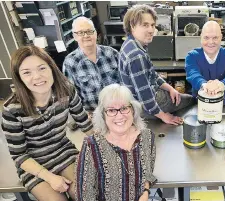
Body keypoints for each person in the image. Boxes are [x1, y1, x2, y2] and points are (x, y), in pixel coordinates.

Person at [1, 46, 93, 201]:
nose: (37, 76)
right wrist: (50, 178)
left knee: (87, 195)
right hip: (33, 164)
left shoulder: (67, 91)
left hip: (64, 152)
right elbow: (19, 155)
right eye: (27, 72)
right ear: (19, 78)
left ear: (51, 68)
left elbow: (85, 124)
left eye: (42, 68)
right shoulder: (12, 110)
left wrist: (111, 147)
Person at [75, 84, 156, 201]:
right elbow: (84, 196)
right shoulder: (91, 146)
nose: (119, 116)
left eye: (124, 108)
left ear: (133, 110)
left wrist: (145, 192)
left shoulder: (147, 137)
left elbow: (147, 173)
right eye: (111, 110)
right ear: (103, 115)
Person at [118, 5, 194, 125]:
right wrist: (164, 116)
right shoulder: (136, 55)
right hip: (144, 107)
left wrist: (170, 89)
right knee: (191, 99)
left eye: (153, 25)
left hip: (139, 102)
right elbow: (145, 96)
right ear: (132, 26)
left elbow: (152, 74)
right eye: (145, 25)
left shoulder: (131, 43)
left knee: (179, 94)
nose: (151, 30)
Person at [63, 16, 119, 112]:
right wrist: (82, 114)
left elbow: (125, 82)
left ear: (96, 33)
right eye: (81, 32)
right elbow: (71, 96)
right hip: (92, 113)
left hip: (117, 109)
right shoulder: (70, 62)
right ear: (75, 36)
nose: (86, 35)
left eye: (89, 31)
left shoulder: (112, 53)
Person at [185, 21, 225, 105]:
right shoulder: (192, 56)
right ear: (201, 37)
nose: (211, 42)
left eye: (215, 38)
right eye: (206, 38)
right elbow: (193, 74)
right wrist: (204, 85)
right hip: (199, 106)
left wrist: (222, 84)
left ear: (221, 37)